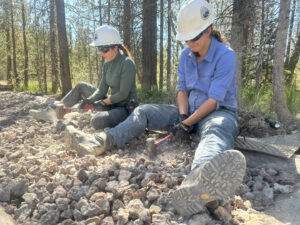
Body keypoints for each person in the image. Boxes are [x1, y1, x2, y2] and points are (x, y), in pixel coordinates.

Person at [66, 0, 246, 216]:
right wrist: (181, 117)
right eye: (186, 38)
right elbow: (182, 91)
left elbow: (213, 101)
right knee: (144, 110)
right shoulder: (185, 55)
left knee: (217, 129)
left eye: (194, 37)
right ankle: (103, 141)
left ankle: (199, 180)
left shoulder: (226, 56)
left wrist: (186, 124)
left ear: (209, 29)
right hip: (188, 112)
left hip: (217, 113)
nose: (189, 42)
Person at [30, 25, 138, 130]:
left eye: (104, 49)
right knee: (81, 86)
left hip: (124, 108)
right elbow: (101, 90)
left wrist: (102, 103)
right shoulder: (107, 64)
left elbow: (123, 95)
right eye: (99, 49)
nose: (101, 53)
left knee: (97, 121)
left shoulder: (127, 63)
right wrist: (89, 100)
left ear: (115, 47)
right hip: (111, 103)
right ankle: (54, 112)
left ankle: (113, 119)